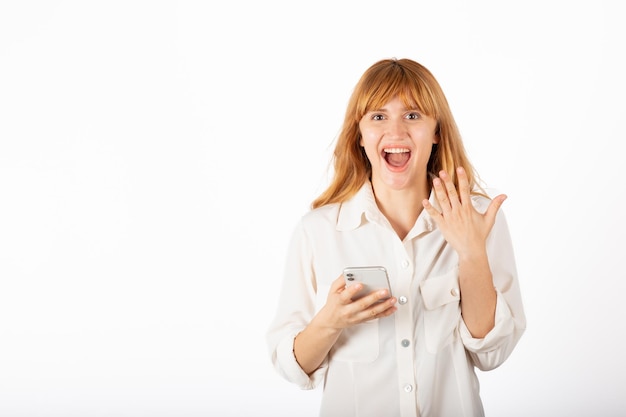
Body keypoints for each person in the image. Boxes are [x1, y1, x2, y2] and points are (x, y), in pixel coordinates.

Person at [266, 58, 526, 417]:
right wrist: (330, 321)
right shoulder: (317, 231)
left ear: (437, 131)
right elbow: (291, 366)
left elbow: (490, 351)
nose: (396, 132)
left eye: (413, 115)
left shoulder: (477, 218)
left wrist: (471, 253)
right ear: (358, 134)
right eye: (378, 116)